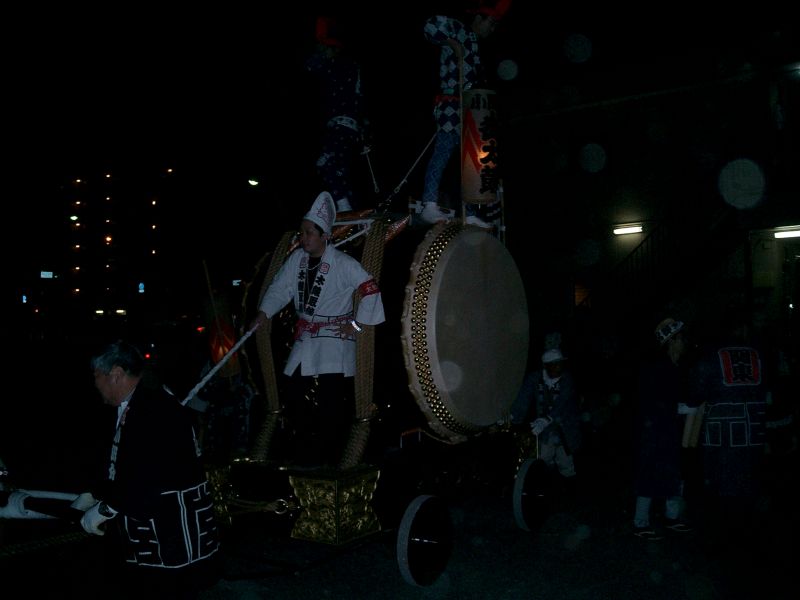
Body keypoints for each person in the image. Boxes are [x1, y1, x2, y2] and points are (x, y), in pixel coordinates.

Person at [71, 340, 220, 599]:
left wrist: (105, 508)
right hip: (153, 532)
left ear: (116, 374)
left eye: (96, 376)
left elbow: (150, 475)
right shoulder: (137, 403)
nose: (94, 384)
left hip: (170, 534)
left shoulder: (155, 408)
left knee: (169, 592)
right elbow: (121, 461)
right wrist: (95, 491)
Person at [249, 191, 385, 468]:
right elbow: (280, 288)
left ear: (325, 236)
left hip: (334, 340)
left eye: (309, 233)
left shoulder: (344, 263)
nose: (304, 238)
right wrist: (264, 313)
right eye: (302, 232)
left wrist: (356, 325)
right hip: (307, 338)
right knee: (293, 392)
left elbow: (371, 290)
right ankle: (304, 452)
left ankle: (329, 459)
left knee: (330, 402)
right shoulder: (296, 260)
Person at [688, 310, 771, 597]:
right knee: (747, 488)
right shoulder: (759, 356)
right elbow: (769, 390)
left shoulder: (711, 357)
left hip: (722, 436)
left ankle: (723, 547)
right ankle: (747, 543)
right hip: (752, 434)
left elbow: (696, 391)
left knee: (721, 489)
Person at [418, 0, 511, 227]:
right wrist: (452, 44)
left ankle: (469, 211)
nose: (492, 29)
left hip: (468, 108)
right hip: (451, 103)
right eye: (491, 23)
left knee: (468, 160)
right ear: (479, 18)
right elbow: (430, 26)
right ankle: (428, 203)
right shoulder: (459, 29)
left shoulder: (475, 45)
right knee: (443, 150)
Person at [631, 317, 697, 540]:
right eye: (681, 339)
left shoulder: (678, 366)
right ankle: (640, 522)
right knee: (650, 474)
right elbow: (649, 401)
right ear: (671, 341)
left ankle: (672, 517)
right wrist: (676, 408)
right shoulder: (657, 367)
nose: (684, 343)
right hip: (654, 432)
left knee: (675, 473)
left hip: (671, 430)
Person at [305, 16, 369, 213]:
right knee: (340, 170)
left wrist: (320, 40)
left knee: (325, 163)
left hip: (342, 126)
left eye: (324, 49)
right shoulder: (348, 66)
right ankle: (350, 210)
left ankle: (344, 206)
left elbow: (312, 65)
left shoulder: (339, 65)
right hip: (348, 128)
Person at [511, 348, 583, 492]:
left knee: (566, 463)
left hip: (565, 428)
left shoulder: (567, 379)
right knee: (543, 459)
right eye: (554, 364)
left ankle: (570, 493)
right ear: (545, 366)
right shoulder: (535, 378)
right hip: (546, 431)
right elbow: (523, 399)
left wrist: (545, 420)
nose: (558, 367)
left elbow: (561, 403)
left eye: (560, 363)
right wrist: (512, 417)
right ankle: (546, 492)